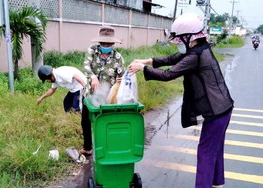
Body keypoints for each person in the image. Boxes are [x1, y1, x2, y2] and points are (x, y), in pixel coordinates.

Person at [129, 13, 234, 188]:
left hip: (216, 111)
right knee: (215, 149)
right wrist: (146, 61)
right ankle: (217, 183)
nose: (178, 43)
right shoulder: (200, 49)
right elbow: (171, 59)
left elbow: (168, 74)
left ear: (188, 37)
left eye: (179, 39)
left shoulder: (195, 56)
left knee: (205, 153)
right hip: (223, 108)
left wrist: (143, 69)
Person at [80, 25, 126, 155]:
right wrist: (93, 76)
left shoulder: (118, 57)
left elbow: (123, 76)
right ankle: (88, 147)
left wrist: (120, 80)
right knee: (86, 121)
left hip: (108, 96)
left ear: (113, 43)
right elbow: (85, 66)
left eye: (109, 43)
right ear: (99, 43)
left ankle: (106, 146)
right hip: (90, 93)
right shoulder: (92, 51)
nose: (106, 46)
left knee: (105, 121)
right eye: (103, 43)